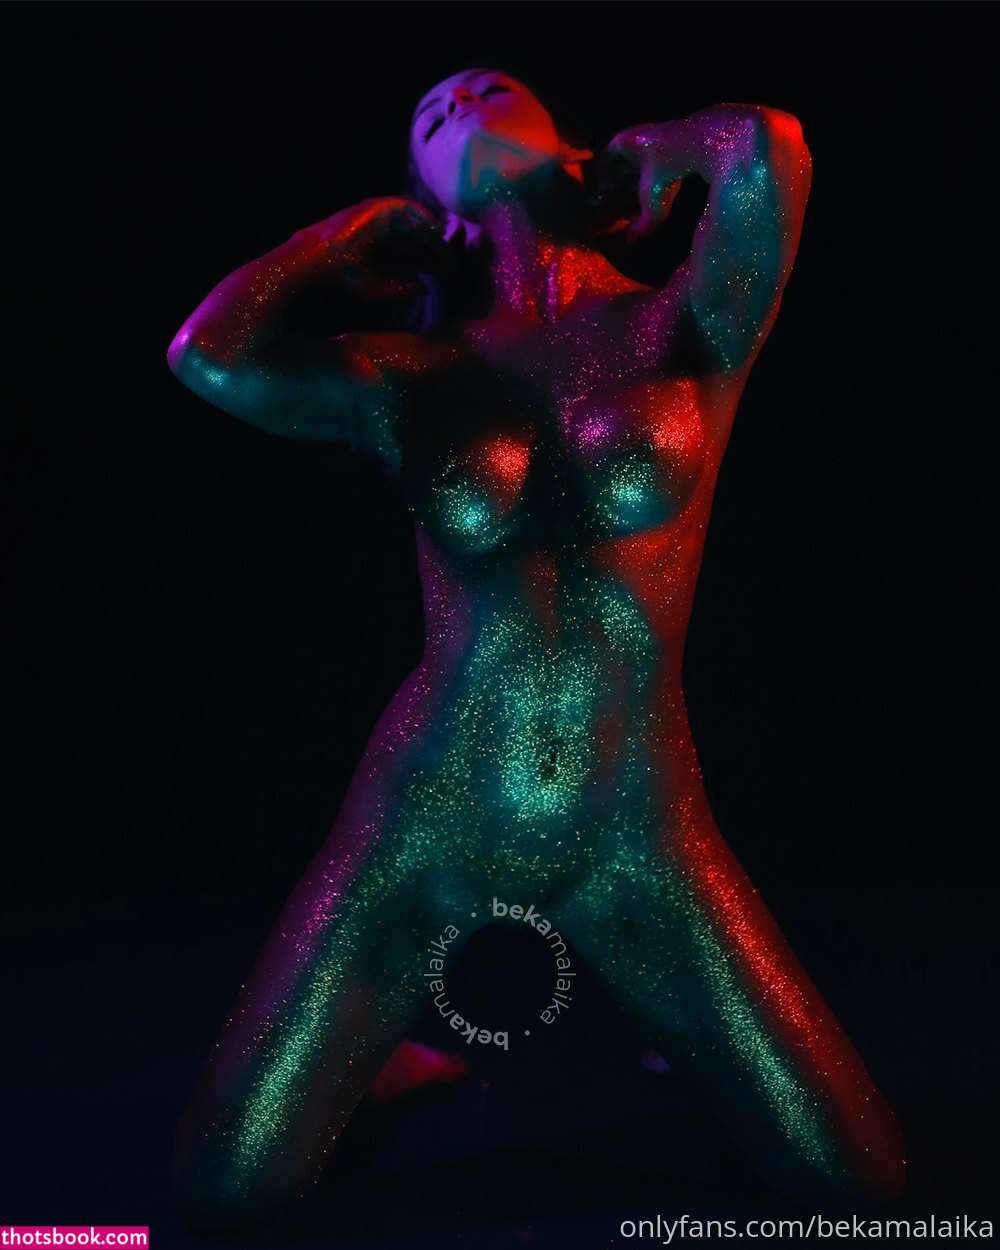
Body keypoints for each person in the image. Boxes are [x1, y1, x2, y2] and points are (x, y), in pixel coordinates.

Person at [167, 66, 905, 1230]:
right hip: (425, 821)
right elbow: (207, 354)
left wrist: (671, 141)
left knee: (860, 1185)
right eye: (426, 113)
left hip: (637, 831)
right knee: (222, 1190)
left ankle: (709, 1066)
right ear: (427, 199)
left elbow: (770, 145)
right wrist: (330, 241)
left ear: (566, 138)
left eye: (482, 86)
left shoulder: (683, 324)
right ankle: (383, 1067)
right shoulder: (417, 373)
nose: (451, 99)